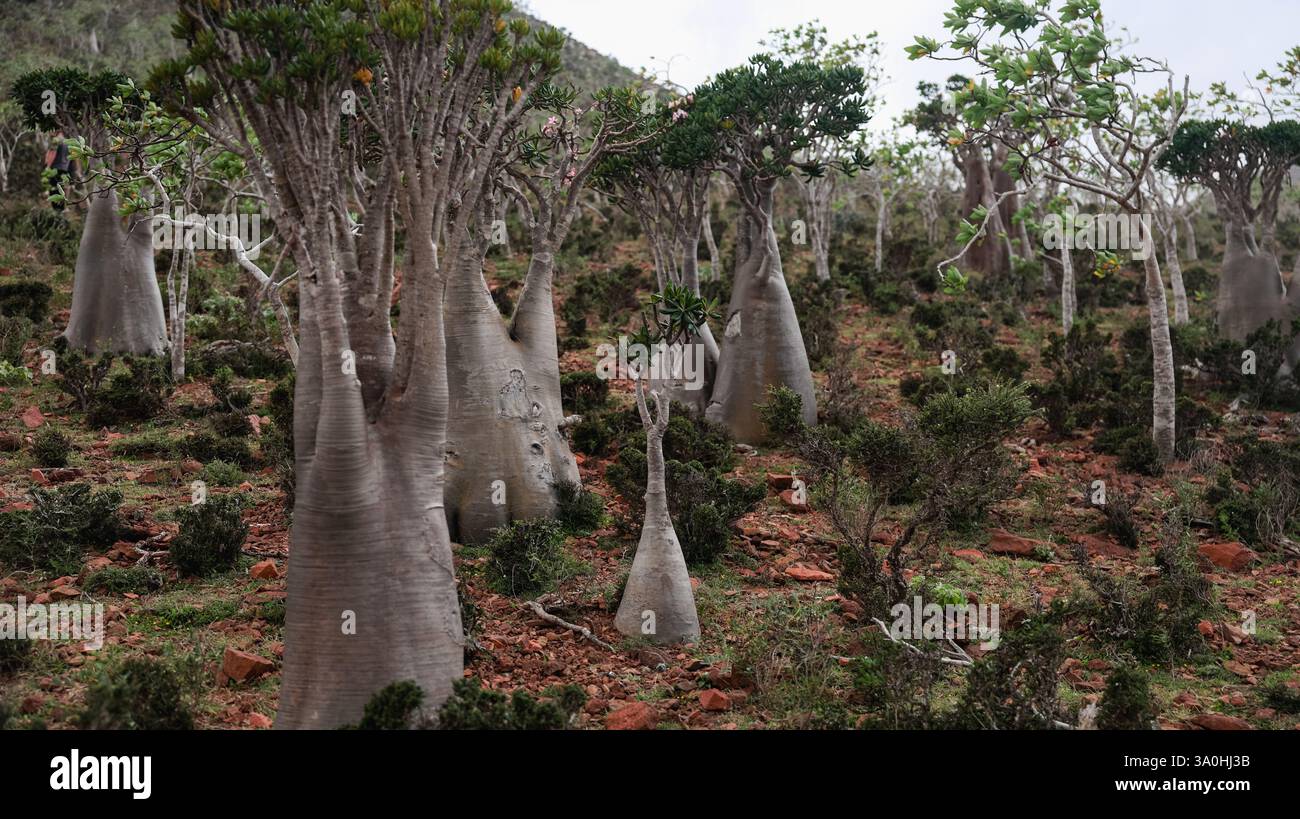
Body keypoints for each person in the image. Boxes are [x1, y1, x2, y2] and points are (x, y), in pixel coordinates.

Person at [44, 130, 72, 211]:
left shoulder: (56, 140)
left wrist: (48, 166)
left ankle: (56, 210)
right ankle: (62, 209)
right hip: (65, 169)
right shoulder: (67, 141)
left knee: (53, 190)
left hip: (55, 169)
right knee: (62, 190)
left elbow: (52, 153)